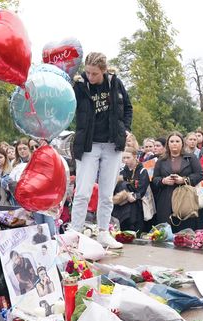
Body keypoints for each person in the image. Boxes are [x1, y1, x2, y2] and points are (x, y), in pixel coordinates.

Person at [71, 52, 133, 249]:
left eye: (95, 74)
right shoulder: (80, 84)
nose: (90, 77)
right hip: (88, 144)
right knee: (82, 192)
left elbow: (128, 107)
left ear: (104, 71)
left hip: (112, 143)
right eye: (88, 72)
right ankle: (75, 232)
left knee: (106, 194)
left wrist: (126, 129)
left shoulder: (115, 83)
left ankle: (104, 232)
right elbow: (69, 107)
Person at [151, 132, 203, 232]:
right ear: (168, 144)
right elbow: (154, 179)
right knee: (167, 229)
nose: (174, 143)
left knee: (185, 228)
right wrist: (163, 181)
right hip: (166, 197)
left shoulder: (191, 158)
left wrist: (184, 180)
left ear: (182, 144)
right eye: (172, 141)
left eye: (177, 141)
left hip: (185, 196)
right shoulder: (161, 160)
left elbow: (200, 174)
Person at [112, 148, 150, 232]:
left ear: (135, 156)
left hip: (136, 204)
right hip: (121, 202)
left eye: (128, 158)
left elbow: (142, 190)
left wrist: (133, 196)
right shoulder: (121, 171)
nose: (125, 160)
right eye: (123, 158)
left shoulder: (142, 171)